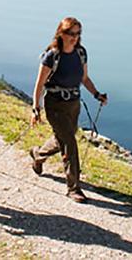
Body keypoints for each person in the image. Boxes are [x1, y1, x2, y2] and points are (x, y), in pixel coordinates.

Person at [29, 16, 107, 203]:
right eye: (71, 33)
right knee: (70, 143)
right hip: (54, 105)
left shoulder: (81, 53)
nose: (75, 37)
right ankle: (73, 188)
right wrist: (35, 108)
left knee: (63, 138)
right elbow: (39, 85)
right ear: (61, 33)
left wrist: (97, 94)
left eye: (78, 33)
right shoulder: (52, 55)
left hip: (74, 104)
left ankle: (38, 155)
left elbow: (84, 78)